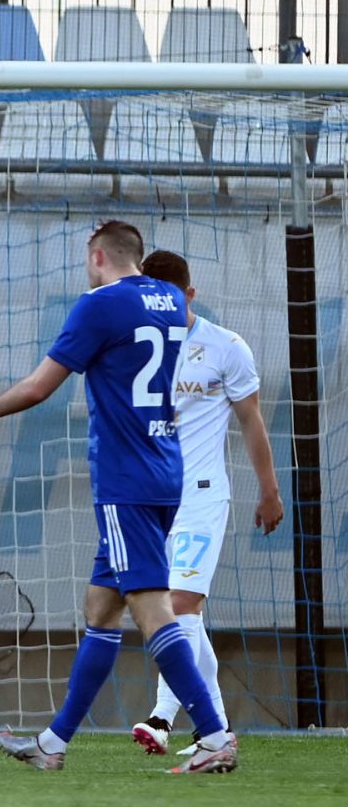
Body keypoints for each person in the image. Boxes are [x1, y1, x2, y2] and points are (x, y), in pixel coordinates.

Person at [0, 219, 236, 775]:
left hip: (125, 478)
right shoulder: (169, 299)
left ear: (98, 255)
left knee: (152, 610)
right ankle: (53, 743)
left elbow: (40, 386)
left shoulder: (98, 304)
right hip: (164, 467)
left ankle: (213, 734)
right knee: (101, 607)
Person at [129, 250, 283, 756]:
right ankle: (213, 730)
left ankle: (161, 717)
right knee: (177, 615)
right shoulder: (137, 348)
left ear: (190, 295)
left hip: (201, 497)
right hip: (151, 501)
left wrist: (269, 490)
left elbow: (250, 419)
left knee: (180, 606)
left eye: (172, 299)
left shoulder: (225, 346)